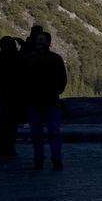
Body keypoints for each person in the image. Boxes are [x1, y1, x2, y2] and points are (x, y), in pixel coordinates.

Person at [24, 31, 67, 170]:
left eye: (42, 39)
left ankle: (56, 159)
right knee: (37, 133)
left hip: (50, 101)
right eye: (38, 39)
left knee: (53, 132)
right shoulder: (29, 58)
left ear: (48, 42)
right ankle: (39, 160)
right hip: (34, 101)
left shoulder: (55, 59)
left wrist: (57, 90)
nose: (39, 42)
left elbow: (62, 78)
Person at [0, 36, 23, 156]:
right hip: (13, 94)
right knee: (11, 123)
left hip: (2, 93)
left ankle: (3, 148)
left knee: (5, 123)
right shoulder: (15, 58)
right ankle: (9, 148)